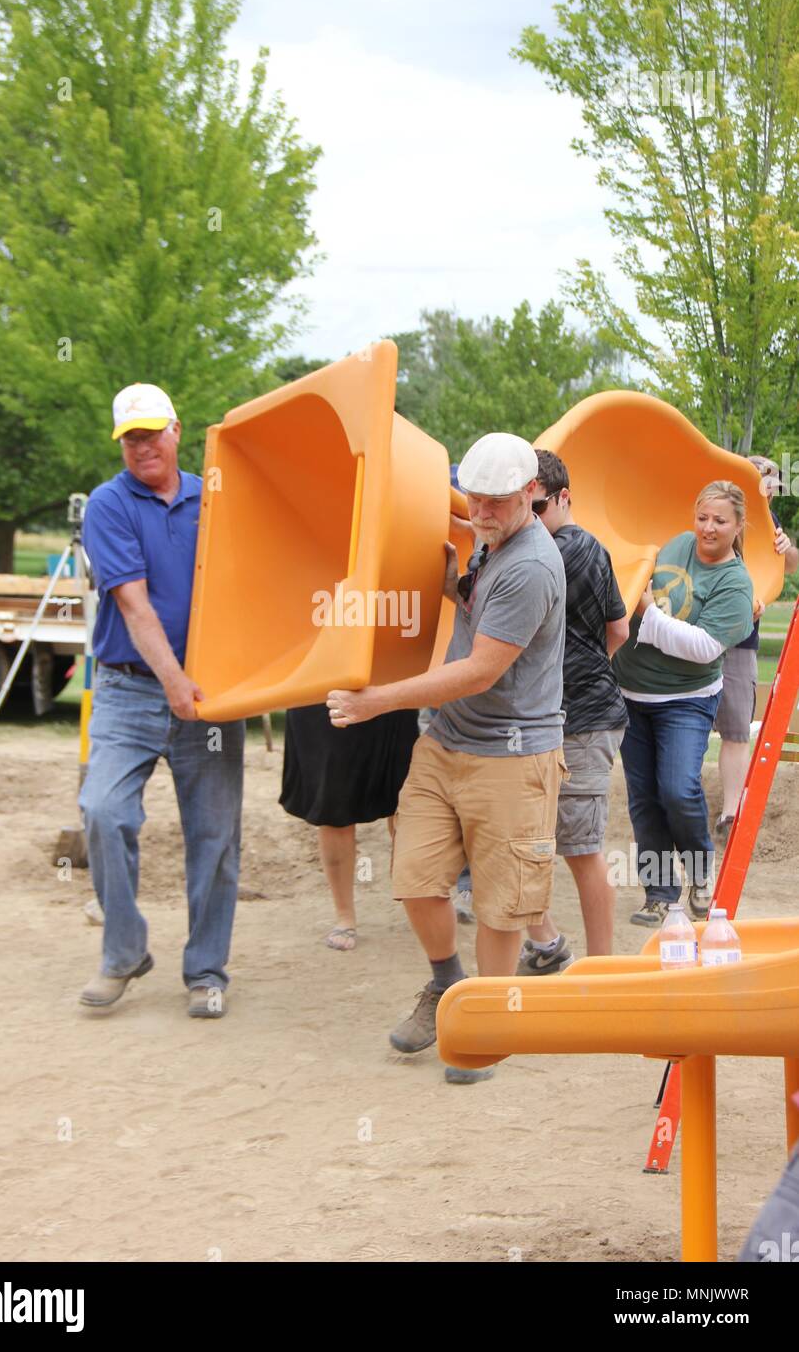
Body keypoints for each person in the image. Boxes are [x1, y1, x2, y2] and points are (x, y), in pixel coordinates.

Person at [326, 432, 568, 1083]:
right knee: (414, 876)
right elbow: (473, 576)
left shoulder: (531, 566)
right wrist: (452, 587)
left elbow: (480, 671)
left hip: (513, 757)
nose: (479, 514)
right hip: (446, 743)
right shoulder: (492, 541)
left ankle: (484, 1022)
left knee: (500, 905)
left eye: (494, 503)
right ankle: (445, 985)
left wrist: (377, 700)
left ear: (530, 495)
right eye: (474, 499)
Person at [78, 383, 245, 1018]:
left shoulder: (219, 497)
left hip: (213, 690)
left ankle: (206, 971)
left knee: (215, 836)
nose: (143, 446)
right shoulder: (109, 505)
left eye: (152, 432)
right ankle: (124, 952)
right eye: (131, 438)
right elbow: (133, 603)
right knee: (103, 810)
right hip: (129, 689)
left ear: (177, 430)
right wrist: (175, 683)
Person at [612, 482, 754, 926]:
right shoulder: (677, 544)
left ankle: (698, 873)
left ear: (738, 526)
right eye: (702, 517)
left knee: (678, 788)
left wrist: (648, 613)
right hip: (632, 695)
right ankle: (658, 893)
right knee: (644, 798)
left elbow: (703, 647)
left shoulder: (736, 582)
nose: (708, 528)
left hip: (686, 701)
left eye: (719, 520)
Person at [517, 449, 629, 970]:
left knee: (581, 849)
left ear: (563, 498)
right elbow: (618, 629)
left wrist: (574, 677)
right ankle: (548, 945)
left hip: (582, 721)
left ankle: (601, 972)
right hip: (554, 719)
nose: (528, 519)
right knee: (515, 838)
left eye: (536, 507)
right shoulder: (587, 548)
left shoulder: (567, 549)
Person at [279, 703, 419, 950]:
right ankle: (344, 916)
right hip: (320, 690)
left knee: (406, 799)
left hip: (390, 686)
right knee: (333, 805)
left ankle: (415, 897)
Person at [714, 455, 798, 841]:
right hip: (701, 635)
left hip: (742, 641)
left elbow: (792, 566)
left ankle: (730, 813)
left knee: (735, 729)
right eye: (766, 483)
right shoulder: (715, 514)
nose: (770, 492)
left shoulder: (769, 522)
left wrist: (786, 547)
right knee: (688, 724)